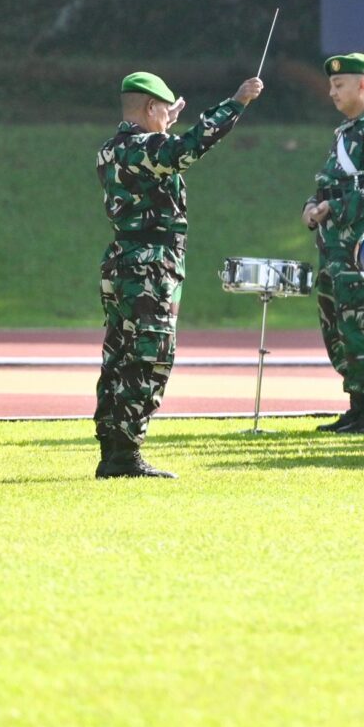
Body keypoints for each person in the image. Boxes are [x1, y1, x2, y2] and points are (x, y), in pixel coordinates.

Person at [93, 67, 264, 477]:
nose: (169, 118)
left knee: (118, 356)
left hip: (122, 261)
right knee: (149, 357)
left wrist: (165, 121)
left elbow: (164, 148)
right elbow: (188, 147)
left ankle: (113, 450)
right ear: (151, 107)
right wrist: (236, 103)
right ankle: (126, 455)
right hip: (150, 265)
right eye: (164, 111)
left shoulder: (111, 149)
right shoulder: (149, 148)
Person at [302, 54, 364, 434]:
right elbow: (330, 181)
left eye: (339, 85)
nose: (332, 92)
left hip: (357, 246)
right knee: (336, 326)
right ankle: (358, 405)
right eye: (331, 86)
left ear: (363, 85)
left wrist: (335, 207)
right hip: (333, 246)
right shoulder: (347, 130)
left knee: (357, 322)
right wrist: (311, 206)